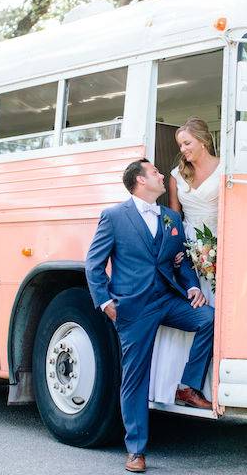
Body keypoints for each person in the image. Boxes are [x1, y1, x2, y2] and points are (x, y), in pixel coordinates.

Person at [85, 159, 215, 473]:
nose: (161, 175)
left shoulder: (170, 217)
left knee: (208, 318)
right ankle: (136, 450)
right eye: (155, 172)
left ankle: (188, 385)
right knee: (135, 377)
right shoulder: (114, 217)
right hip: (133, 308)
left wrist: (192, 287)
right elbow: (94, 264)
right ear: (140, 181)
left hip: (168, 300)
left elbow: (180, 262)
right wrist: (105, 303)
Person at [149, 117, 221, 404]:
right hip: (189, 249)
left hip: (218, 244)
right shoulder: (177, 174)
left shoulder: (225, 168)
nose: (184, 150)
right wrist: (175, 250)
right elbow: (173, 218)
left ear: (203, 141)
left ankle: (206, 383)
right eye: (180, 145)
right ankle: (176, 384)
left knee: (216, 311)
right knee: (195, 307)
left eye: (187, 143)